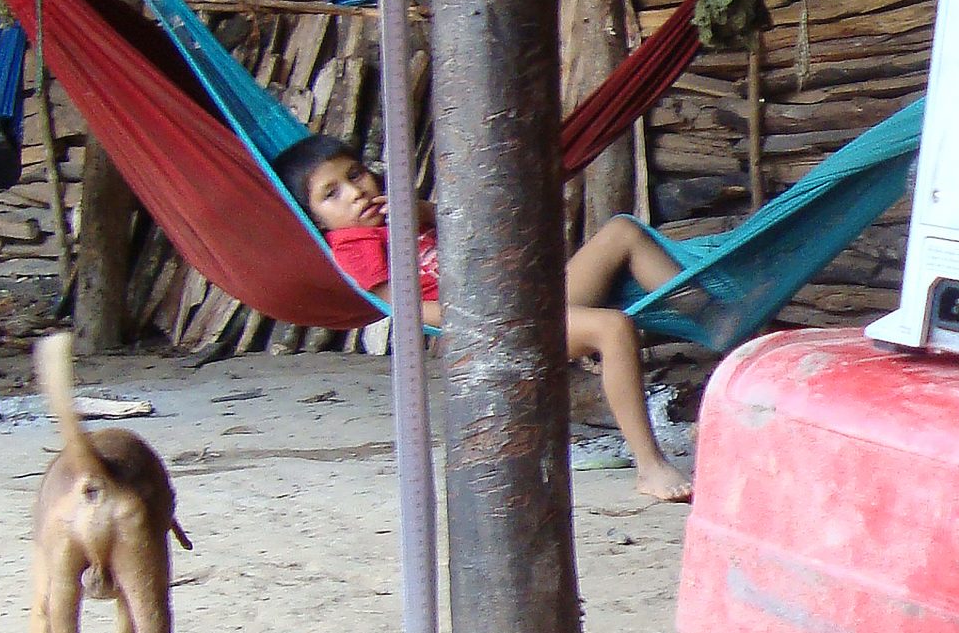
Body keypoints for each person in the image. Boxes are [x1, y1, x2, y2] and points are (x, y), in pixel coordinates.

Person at [274, 134, 696, 503]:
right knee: (612, 326)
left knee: (623, 232)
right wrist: (491, 310)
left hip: (529, 300)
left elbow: (473, 227)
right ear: (316, 220)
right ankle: (650, 465)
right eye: (331, 194)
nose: (354, 192)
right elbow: (405, 307)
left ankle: (713, 319)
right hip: (500, 327)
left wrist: (422, 211)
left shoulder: (396, 216)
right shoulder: (354, 246)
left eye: (355, 174)